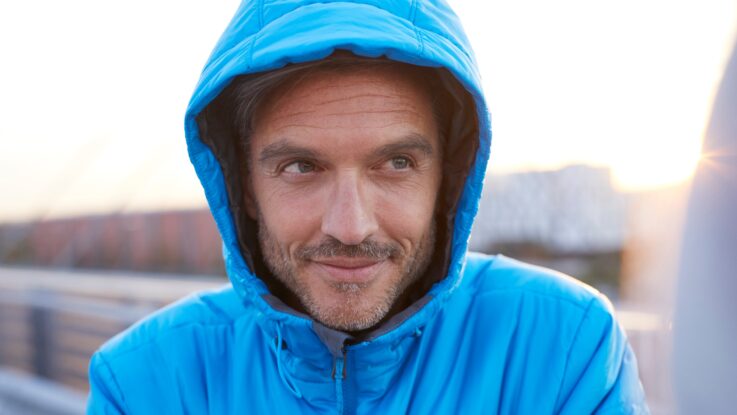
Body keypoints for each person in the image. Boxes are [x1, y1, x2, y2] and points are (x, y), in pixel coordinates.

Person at [87, 1, 649, 413]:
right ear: (246, 189)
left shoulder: (561, 342)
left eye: (396, 163)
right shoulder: (143, 382)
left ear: (448, 180)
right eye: (301, 167)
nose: (351, 226)